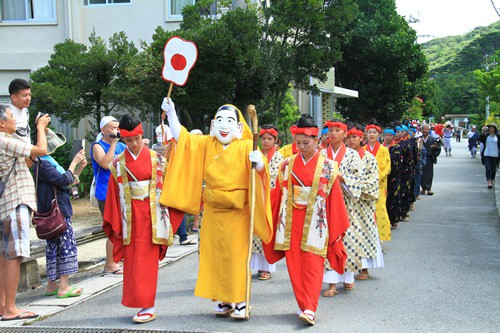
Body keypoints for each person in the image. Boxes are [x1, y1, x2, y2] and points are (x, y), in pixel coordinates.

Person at [160, 98, 272, 319]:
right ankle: (223, 299)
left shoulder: (246, 146)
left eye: (229, 121)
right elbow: (185, 141)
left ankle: (241, 300)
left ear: (239, 128)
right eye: (219, 120)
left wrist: (259, 164)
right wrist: (172, 114)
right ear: (212, 125)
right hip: (212, 210)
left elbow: (262, 174)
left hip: (237, 211)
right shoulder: (207, 144)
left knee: (236, 256)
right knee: (214, 255)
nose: (223, 126)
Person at [263, 114, 349, 325]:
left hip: (316, 222)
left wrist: (334, 226)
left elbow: (334, 199)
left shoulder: (328, 166)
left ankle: (310, 307)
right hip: (291, 219)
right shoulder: (287, 164)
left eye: (306, 143)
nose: (301, 147)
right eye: (298, 143)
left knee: (312, 264)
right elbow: (277, 193)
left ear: (317, 140)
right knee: (294, 266)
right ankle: (303, 304)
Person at [103, 114, 184, 323]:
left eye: (137, 139)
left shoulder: (157, 159)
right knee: (132, 262)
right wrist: (114, 219)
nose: (134, 144)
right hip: (129, 218)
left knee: (146, 261)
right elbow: (113, 192)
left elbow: (169, 186)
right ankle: (141, 303)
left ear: (142, 135)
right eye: (129, 141)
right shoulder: (118, 162)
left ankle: (148, 305)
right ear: (123, 139)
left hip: (152, 216)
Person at [0, 104, 50, 321]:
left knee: (4, 256)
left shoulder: (8, 142)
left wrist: (42, 135)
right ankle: (10, 308)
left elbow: (27, 161)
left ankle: (3, 306)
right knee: (14, 255)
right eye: (11, 117)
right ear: (2, 123)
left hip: (7, 204)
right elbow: (41, 151)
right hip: (15, 201)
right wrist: (40, 127)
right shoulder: (4, 140)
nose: (15, 120)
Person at [34, 128, 87, 299]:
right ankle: (63, 286)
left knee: (54, 247)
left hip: (54, 209)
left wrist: (78, 169)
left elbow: (66, 183)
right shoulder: (43, 163)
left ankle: (52, 285)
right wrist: (73, 163)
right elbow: (63, 179)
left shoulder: (44, 161)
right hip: (57, 211)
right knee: (65, 247)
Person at [321, 119, 365, 294]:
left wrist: (341, 177)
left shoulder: (353, 155)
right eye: (330, 130)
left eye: (337, 130)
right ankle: (331, 283)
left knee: (347, 240)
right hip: (325, 204)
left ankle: (348, 276)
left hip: (346, 205)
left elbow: (357, 180)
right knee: (329, 240)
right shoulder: (322, 153)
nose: (332, 133)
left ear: (345, 134)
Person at [345, 124, 382, 281]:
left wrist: (351, 184)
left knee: (364, 232)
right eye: (349, 137)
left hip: (362, 202)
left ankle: (364, 268)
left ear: (362, 138)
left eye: (355, 137)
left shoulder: (369, 158)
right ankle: (345, 268)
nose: (351, 140)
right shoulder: (345, 156)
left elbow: (372, 181)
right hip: (346, 201)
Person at [90, 116, 126, 276]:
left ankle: (118, 258)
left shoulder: (122, 146)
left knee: (123, 226)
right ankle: (110, 264)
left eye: (117, 128)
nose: (115, 131)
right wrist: (112, 145)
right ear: (103, 130)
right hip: (105, 192)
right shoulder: (97, 146)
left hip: (121, 191)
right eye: (112, 128)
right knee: (113, 228)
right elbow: (105, 163)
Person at [251, 124, 283, 280]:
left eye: (269, 139)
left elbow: (279, 179)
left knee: (267, 231)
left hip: (271, 197)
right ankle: (255, 266)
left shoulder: (279, 157)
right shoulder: (255, 154)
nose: (266, 142)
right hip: (256, 196)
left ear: (276, 141)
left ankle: (266, 267)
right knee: (253, 231)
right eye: (263, 138)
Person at [365, 122, 391, 242]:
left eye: (374, 132)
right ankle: (368, 237)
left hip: (379, 184)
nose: (371, 135)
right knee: (365, 209)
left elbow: (386, 167)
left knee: (380, 208)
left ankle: (380, 237)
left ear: (379, 134)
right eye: (369, 132)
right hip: (364, 185)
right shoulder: (363, 150)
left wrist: (375, 178)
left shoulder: (384, 150)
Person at [8, 79, 31, 145]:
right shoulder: (6, 113)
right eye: (25, 95)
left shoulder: (25, 111)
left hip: (27, 153)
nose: (28, 98)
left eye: (29, 95)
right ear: (14, 97)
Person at [421, 124, 442, 195]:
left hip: (429, 158)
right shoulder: (419, 139)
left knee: (429, 174)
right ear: (421, 130)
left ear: (429, 130)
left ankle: (429, 188)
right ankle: (423, 188)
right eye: (423, 129)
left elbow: (438, 148)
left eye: (426, 129)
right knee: (421, 173)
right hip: (421, 159)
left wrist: (435, 147)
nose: (424, 131)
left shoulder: (432, 139)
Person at [479, 123, 500, 189]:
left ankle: (492, 179)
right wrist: (482, 132)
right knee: (488, 168)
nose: (491, 129)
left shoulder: (498, 136)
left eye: (492, 128)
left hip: (495, 154)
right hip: (487, 154)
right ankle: (489, 182)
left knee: (493, 169)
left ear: (494, 129)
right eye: (490, 128)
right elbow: (481, 139)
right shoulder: (486, 136)